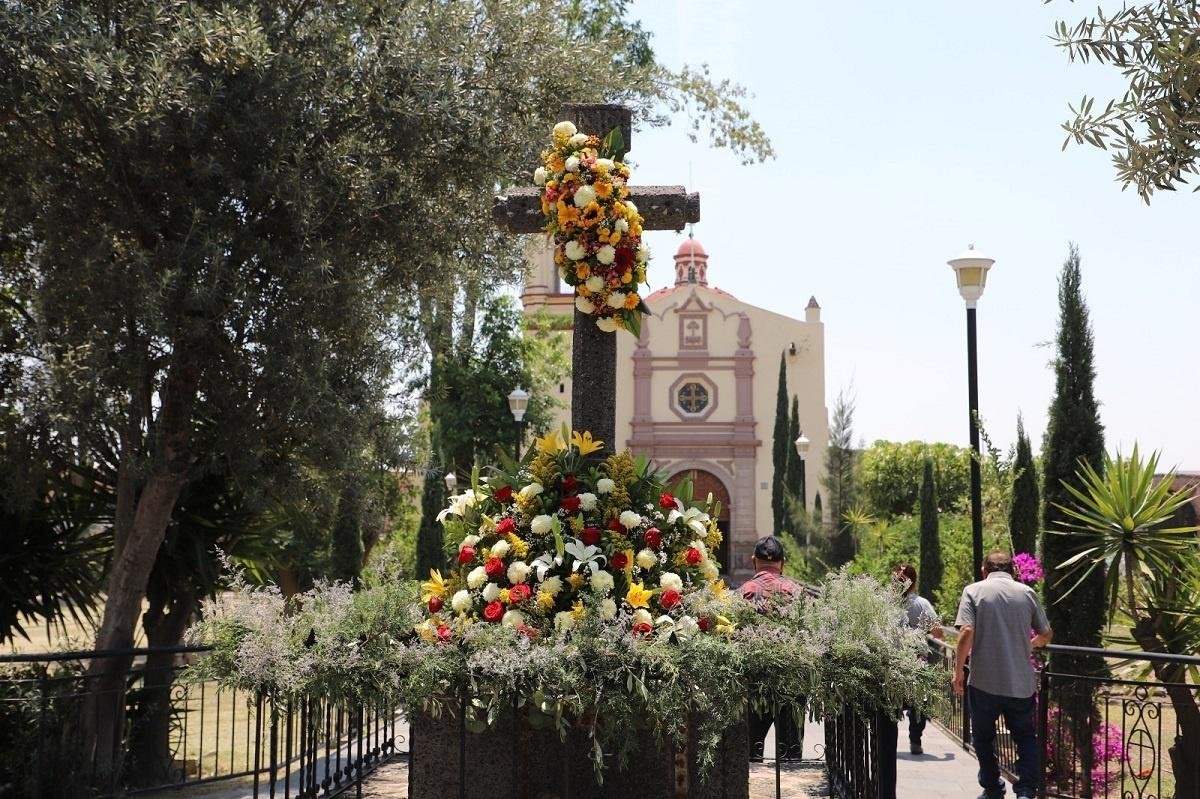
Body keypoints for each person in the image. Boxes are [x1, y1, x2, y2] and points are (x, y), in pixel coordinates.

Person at [954, 551, 1053, 799]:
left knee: (983, 737)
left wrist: (957, 672)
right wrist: (1028, 645)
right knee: (1025, 737)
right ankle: (1026, 791)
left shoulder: (973, 591)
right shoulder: (1027, 593)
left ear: (983, 570)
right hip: (1020, 682)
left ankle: (992, 788)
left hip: (984, 681)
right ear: (1014, 571)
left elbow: (966, 631)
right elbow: (1046, 633)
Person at [739, 536, 805, 760]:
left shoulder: (743, 592)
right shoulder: (797, 592)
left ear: (753, 561)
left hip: (754, 682)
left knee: (749, 755)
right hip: (791, 681)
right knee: (790, 756)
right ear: (783, 563)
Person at [893, 563, 944, 755]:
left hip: (893, 657)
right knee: (919, 700)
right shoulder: (922, 604)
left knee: (891, 697)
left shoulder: (887, 604)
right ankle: (915, 740)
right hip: (917, 658)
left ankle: (888, 739)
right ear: (914, 582)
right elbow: (938, 632)